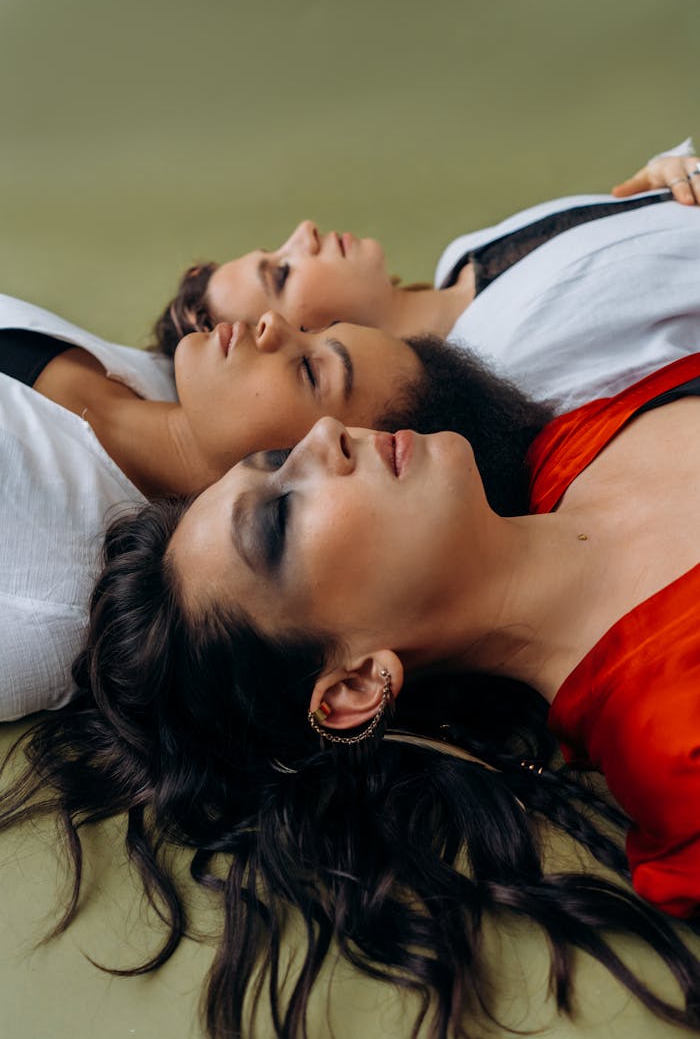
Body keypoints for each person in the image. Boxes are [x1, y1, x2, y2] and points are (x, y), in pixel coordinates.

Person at [11, 347, 700, 1039]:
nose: (323, 435)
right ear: (354, 688)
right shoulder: (673, 736)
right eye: (279, 521)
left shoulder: (573, 438)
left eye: (279, 454)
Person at [4, 296, 517, 718]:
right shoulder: (157, 376)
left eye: (311, 371)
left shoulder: (48, 600)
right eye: (308, 327)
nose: (272, 321)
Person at [155, 139, 700, 409]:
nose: (305, 231)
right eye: (282, 273)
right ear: (304, 336)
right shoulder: (509, 356)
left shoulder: (463, 258)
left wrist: (667, 180)